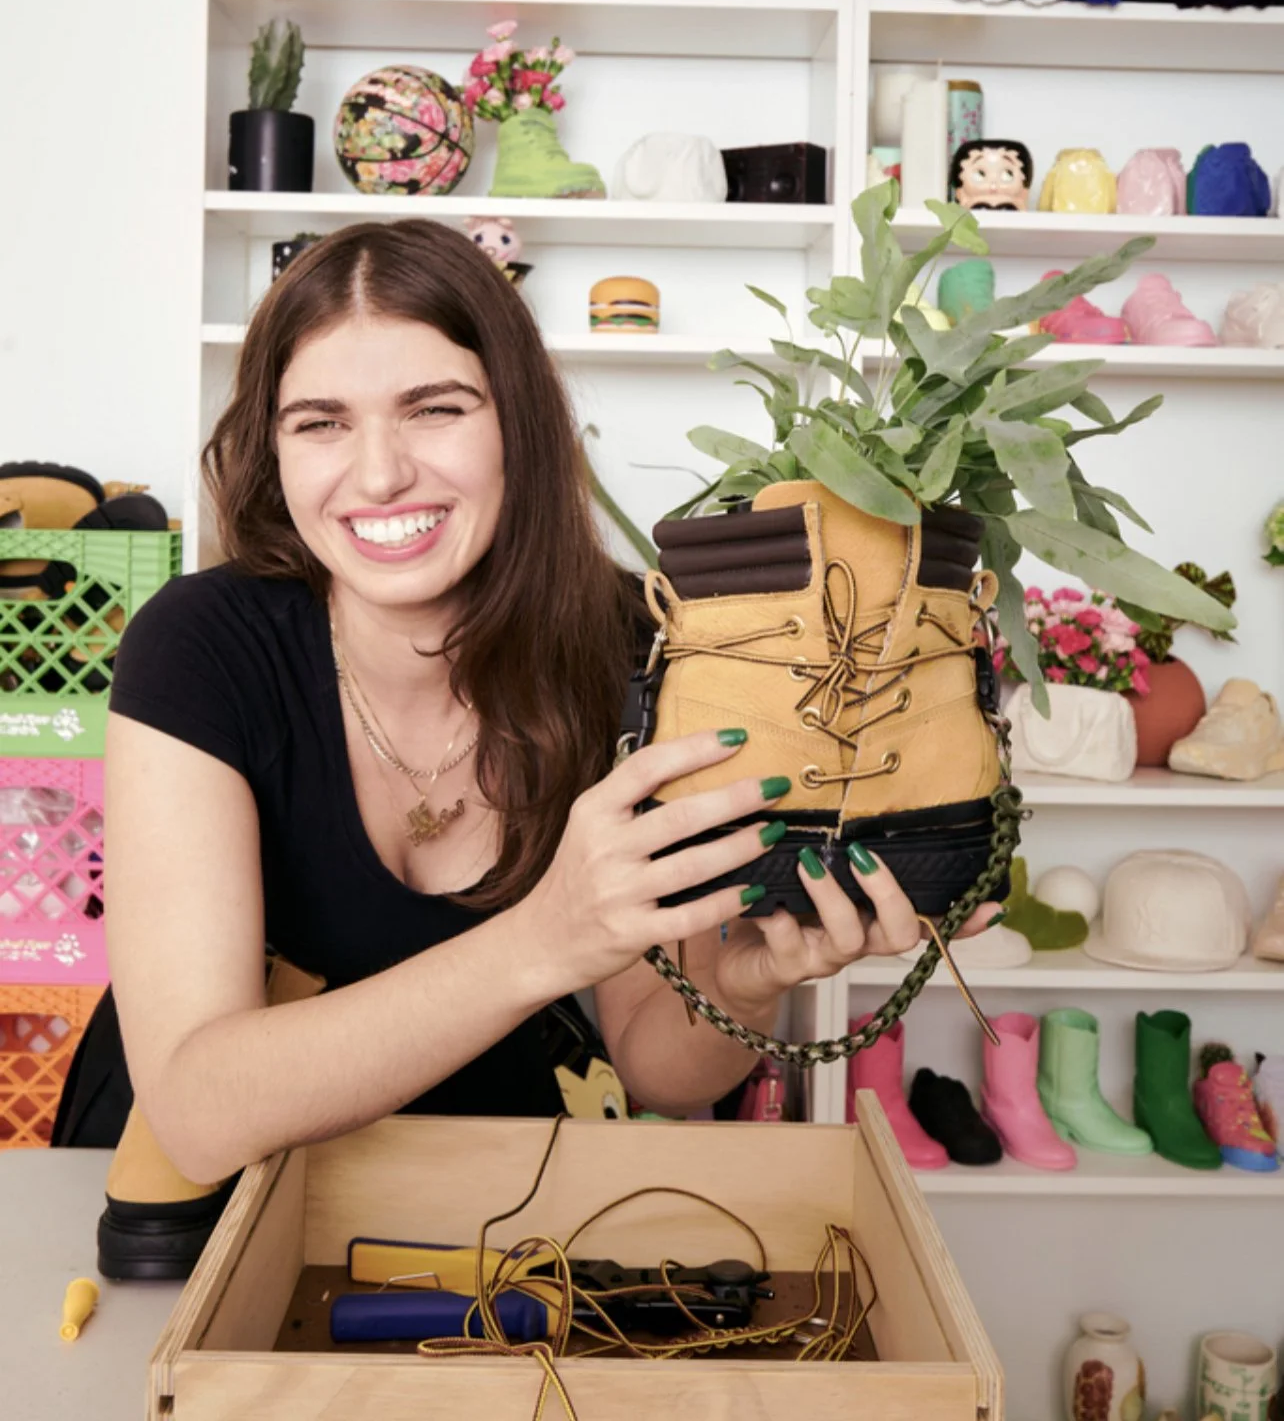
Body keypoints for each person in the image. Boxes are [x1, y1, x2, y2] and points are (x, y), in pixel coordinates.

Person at [84, 219, 994, 1186]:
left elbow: (658, 1063)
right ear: (274, 449)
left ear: (519, 421)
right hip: (212, 1207)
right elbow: (195, 1114)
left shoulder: (633, 645)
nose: (380, 472)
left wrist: (742, 987)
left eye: (434, 409)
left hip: (499, 1190)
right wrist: (546, 938)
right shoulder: (200, 646)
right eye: (321, 422)